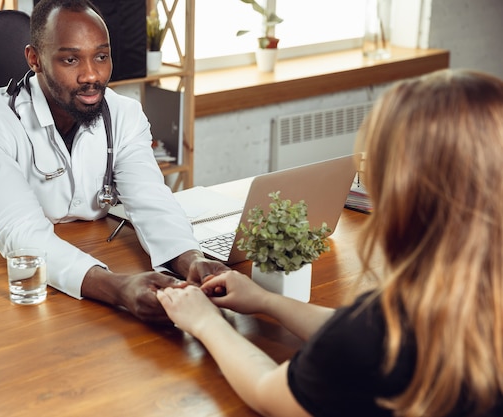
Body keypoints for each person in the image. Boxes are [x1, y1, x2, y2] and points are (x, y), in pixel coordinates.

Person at [156, 69, 503, 416]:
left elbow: (269, 393)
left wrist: (205, 322)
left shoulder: (372, 334)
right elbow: (361, 334)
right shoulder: (468, 300)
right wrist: (266, 300)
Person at [0, 0, 227, 321]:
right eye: (71, 59)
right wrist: (118, 288)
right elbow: (22, 235)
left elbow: (152, 201)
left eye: (101, 56)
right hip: (13, 284)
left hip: (94, 258)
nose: (91, 75)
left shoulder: (123, 115)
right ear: (35, 59)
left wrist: (192, 260)